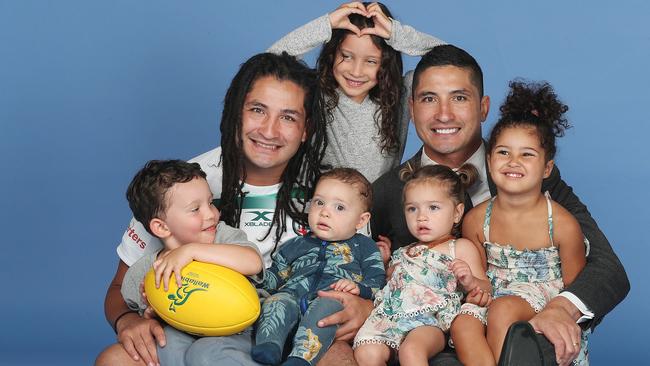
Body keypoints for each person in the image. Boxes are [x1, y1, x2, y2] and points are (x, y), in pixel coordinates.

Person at [370, 45, 629, 366]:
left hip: (521, 329)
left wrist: (561, 308)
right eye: (428, 98)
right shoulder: (387, 190)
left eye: (459, 97)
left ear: (483, 108)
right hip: (429, 344)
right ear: (411, 109)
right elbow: (364, 266)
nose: (444, 114)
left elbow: (607, 269)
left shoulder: (527, 173)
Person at [96, 52, 327, 366]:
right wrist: (129, 319)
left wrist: (360, 308)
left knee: (338, 355)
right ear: (236, 113)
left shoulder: (330, 190)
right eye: (258, 110)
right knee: (114, 360)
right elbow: (119, 288)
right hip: (196, 329)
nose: (270, 131)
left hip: (293, 332)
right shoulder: (183, 184)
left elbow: (359, 269)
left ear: (305, 129)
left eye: (288, 117)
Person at [452, 81, 588, 365]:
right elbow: (481, 278)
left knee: (502, 311)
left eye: (527, 154)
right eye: (504, 152)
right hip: (494, 294)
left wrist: (558, 314)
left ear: (547, 168)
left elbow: (577, 287)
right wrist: (473, 288)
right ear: (489, 162)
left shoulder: (562, 223)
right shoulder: (477, 220)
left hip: (543, 299)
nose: (514, 161)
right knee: (463, 324)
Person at [268, 1, 445, 183]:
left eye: (371, 61)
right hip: (319, 207)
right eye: (346, 56)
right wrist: (327, 25)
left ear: (385, 64)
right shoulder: (316, 91)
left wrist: (396, 34)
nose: (356, 71)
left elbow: (452, 61)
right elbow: (267, 65)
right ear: (332, 54)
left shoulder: (401, 93)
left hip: (378, 208)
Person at [119, 160, 264, 364]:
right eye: (195, 209)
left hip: (243, 329)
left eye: (211, 202)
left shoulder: (222, 237)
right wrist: (152, 310)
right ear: (161, 227)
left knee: (206, 354)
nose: (211, 214)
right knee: (165, 344)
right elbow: (139, 315)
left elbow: (253, 262)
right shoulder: (144, 272)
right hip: (185, 330)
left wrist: (192, 251)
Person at [354, 164, 491, 366]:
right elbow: (390, 284)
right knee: (366, 352)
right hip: (390, 319)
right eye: (412, 209)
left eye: (433, 207)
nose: (421, 217)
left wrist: (470, 280)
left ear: (457, 212)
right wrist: (383, 264)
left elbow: (487, 288)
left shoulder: (459, 247)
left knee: (411, 350)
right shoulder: (404, 252)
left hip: (429, 323)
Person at [251, 168, 385, 366]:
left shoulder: (364, 247)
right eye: (319, 202)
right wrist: (253, 281)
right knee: (277, 301)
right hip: (293, 297)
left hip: (329, 299)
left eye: (339, 207)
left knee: (327, 309)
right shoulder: (295, 245)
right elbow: (275, 274)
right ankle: (270, 345)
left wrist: (360, 289)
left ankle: (300, 359)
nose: (325, 212)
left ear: (361, 220)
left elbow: (377, 280)